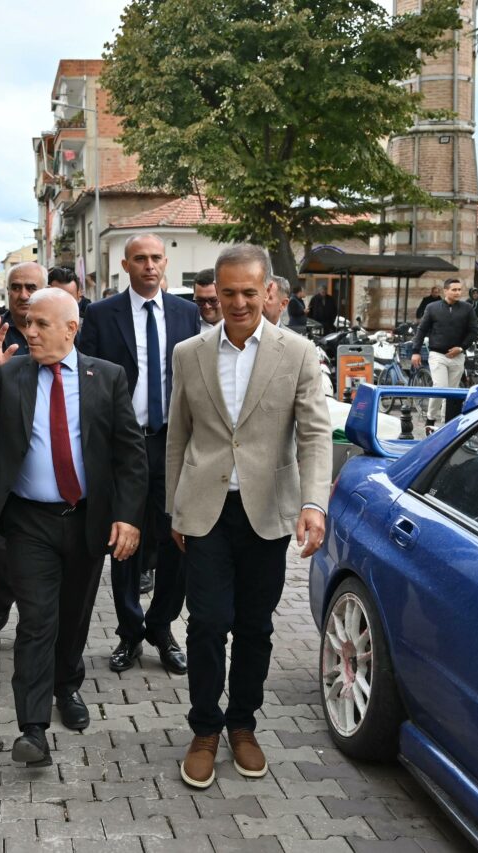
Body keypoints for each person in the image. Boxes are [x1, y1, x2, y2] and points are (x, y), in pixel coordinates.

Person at [0, 289, 147, 763]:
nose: (30, 332)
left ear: (71, 329)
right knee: (37, 621)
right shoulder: (10, 372)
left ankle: (67, 685)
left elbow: (130, 454)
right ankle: (32, 728)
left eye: (41, 324)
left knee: (74, 615)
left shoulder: (108, 377)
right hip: (28, 521)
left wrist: (127, 516)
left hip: (86, 519)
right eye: (27, 323)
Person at [165, 244, 331, 789]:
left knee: (255, 626)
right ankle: (205, 729)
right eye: (228, 292)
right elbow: (178, 435)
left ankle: (243, 724)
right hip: (205, 511)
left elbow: (314, 434)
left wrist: (314, 503)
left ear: (269, 292)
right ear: (215, 292)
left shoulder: (298, 352)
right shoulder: (189, 353)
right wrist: (174, 508)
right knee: (207, 623)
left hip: (267, 512)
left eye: (249, 293)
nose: (238, 303)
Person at [77, 234, 197, 677]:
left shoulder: (186, 314)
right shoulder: (101, 314)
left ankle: (162, 627)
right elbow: (87, 379)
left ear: (166, 262)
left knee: (176, 539)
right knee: (124, 540)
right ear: (125, 265)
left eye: (156, 258)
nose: (149, 266)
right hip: (123, 446)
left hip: (172, 443)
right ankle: (129, 630)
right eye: (140, 259)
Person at [0, 262, 41, 637]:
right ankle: (3, 593)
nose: (23, 294)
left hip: (42, 459)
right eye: (16, 287)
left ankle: (36, 621)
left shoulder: (60, 328)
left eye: (31, 287)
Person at [411, 278, 478, 432]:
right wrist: (415, 351)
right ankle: (430, 418)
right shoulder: (432, 307)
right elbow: (422, 330)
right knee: (440, 387)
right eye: (454, 289)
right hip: (437, 354)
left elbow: (473, 331)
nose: (457, 292)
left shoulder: (467, 309)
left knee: (452, 392)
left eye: (459, 289)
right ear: (445, 291)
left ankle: (447, 424)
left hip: (458, 356)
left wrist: (461, 348)